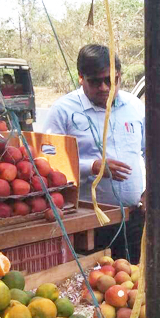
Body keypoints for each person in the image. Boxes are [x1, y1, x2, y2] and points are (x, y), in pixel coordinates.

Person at [43, 44, 145, 262]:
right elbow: (47, 161)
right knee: (94, 284)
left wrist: (151, 191)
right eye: (95, 81)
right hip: (89, 221)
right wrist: (93, 167)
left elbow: (152, 152)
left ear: (120, 75)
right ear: (81, 77)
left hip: (133, 217)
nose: (104, 87)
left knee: (133, 282)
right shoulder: (64, 110)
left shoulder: (135, 106)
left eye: (111, 80)